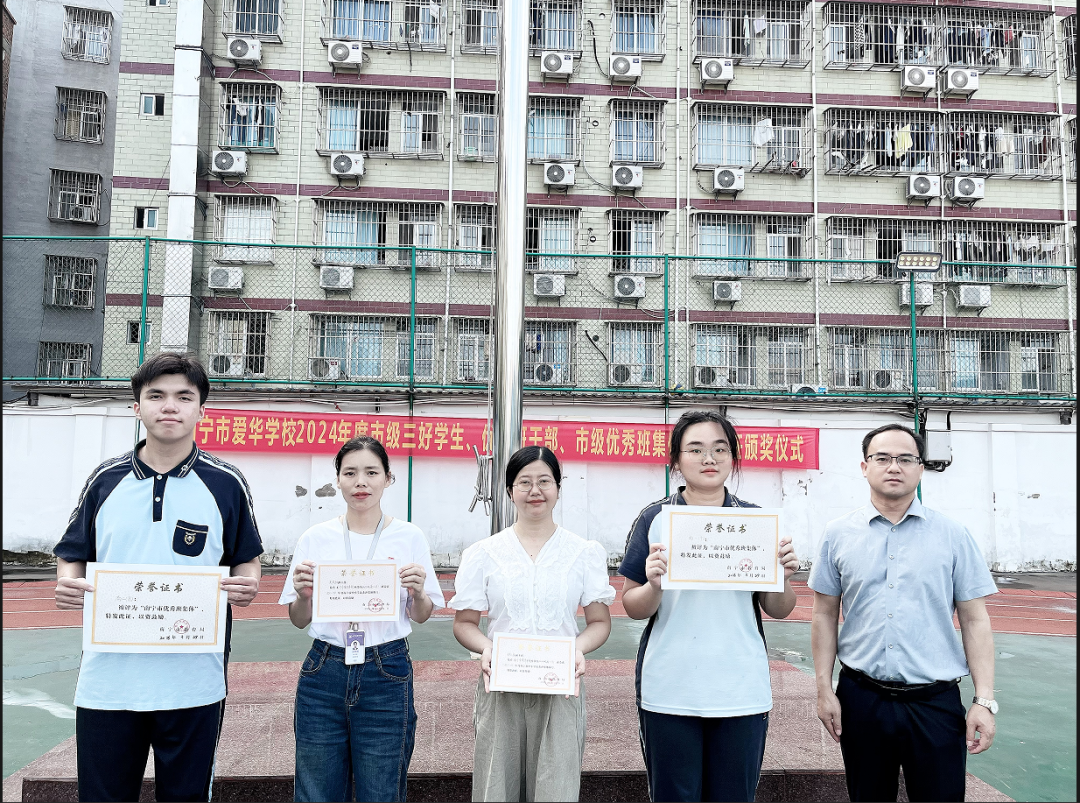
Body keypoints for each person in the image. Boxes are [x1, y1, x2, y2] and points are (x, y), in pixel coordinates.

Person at [53, 352, 263, 802]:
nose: (170, 406)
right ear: (137, 407)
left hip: (194, 681)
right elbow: (72, 553)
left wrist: (248, 584)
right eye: (157, 396)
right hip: (108, 682)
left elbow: (246, 559)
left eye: (184, 397)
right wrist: (68, 580)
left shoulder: (226, 482)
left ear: (202, 410)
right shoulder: (105, 480)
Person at [809, 423, 998, 803]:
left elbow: (975, 619)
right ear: (865, 467)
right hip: (862, 700)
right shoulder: (837, 533)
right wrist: (824, 690)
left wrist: (984, 700)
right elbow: (824, 614)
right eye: (882, 458)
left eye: (905, 459)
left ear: (920, 468)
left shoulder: (953, 535)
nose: (894, 467)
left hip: (935, 703)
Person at [619, 410, 801, 803]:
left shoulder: (756, 522)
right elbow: (632, 605)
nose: (709, 458)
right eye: (695, 449)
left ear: (733, 457)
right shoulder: (654, 518)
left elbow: (779, 608)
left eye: (720, 449)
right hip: (670, 688)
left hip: (740, 687)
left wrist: (784, 576)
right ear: (676, 459)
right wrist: (654, 585)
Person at [281, 435, 445, 803]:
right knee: (316, 792)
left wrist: (419, 592)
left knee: (381, 791)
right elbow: (298, 619)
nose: (361, 482)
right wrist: (303, 595)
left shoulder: (409, 537)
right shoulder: (315, 538)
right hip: (324, 669)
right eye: (350, 472)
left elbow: (421, 615)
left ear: (388, 478)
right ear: (338, 479)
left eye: (372, 472)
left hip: (386, 670)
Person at [450, 446, 614, 802]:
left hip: (561, 687)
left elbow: (600, 621)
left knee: (556, 789)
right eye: (524, 482)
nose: (535, 490)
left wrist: (577, 649)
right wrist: (487, 648)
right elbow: (464, 623)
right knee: (497, 788)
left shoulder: (583, 552)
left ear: (558, 488)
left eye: (544, 481)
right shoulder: (484, 553)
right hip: (501, 686)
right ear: (510, 490)